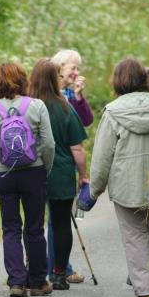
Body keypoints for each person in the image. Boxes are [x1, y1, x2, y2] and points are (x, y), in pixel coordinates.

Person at [88, 58, 149, 297]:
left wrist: (94, 190)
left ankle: (146, 292)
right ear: (142, 78)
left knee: (135, 238)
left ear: (117, 81)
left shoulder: (112, 112)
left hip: (126, 189)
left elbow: (102, 157)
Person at [0, 63, 55, 297]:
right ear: (23, 80)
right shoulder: (36, 106)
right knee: (34, 228)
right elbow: (49, 143)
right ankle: (38, 282)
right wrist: (45, 169)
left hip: (5, 176)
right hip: (34, 172)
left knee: (10, 228)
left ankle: (16, 283)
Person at [29, 59, 88, 290]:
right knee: (62, 224)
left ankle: (34, 274)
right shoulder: (64, 106)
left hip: (31, 172)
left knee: (33, 226)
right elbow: (77, 147)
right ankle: (60, 274)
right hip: (61, 172)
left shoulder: (27, 105)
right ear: (55, 79)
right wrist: (83, 176)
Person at [46, 49, 93, 284]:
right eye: (72, 67)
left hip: (59, 165)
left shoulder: (69, 94)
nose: (76, 72)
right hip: (60, 164)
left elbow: (85, 121)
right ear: (60, 67)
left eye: (77, 68)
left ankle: (55, 267)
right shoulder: (51, 94)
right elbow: (77, 143)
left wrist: (79, 97)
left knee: (56, 220)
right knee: (58, 220)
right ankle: (59, 268)